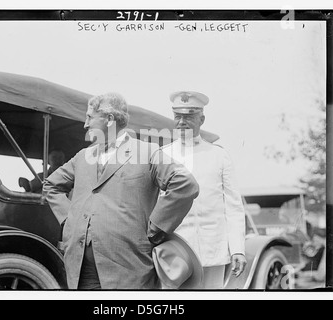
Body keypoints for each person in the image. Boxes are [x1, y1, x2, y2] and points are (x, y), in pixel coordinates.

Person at [43, 92, 199, 290]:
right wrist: (69, 221)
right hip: (80, 270)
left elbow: (185, 184)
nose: (85, 124)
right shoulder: (83, 156)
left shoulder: (147, 152)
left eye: (90, 117)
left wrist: (156, 228)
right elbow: (51, 185)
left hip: (128, 270)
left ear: (109, 119)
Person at [161, 91, 247, 289]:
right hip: (176, 250)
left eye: (189, 117)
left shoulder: (219, 155)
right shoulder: (162, 156)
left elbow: (234, 207)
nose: (182, 122)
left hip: (213, 249)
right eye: (178, 116)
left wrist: (237, 250)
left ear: (202, 119)